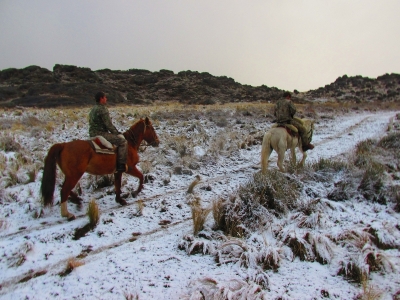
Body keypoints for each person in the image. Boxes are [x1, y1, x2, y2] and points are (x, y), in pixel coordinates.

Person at [89, 91, 128, 172]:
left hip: (92, 132)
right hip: (100, 133)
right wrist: (117, 133)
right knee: (123, 142)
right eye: (105, 97)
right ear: (101, 99)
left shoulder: (93, 108)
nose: (106, 99)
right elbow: (109, 125)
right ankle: (121, 164)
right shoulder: (102, 109)